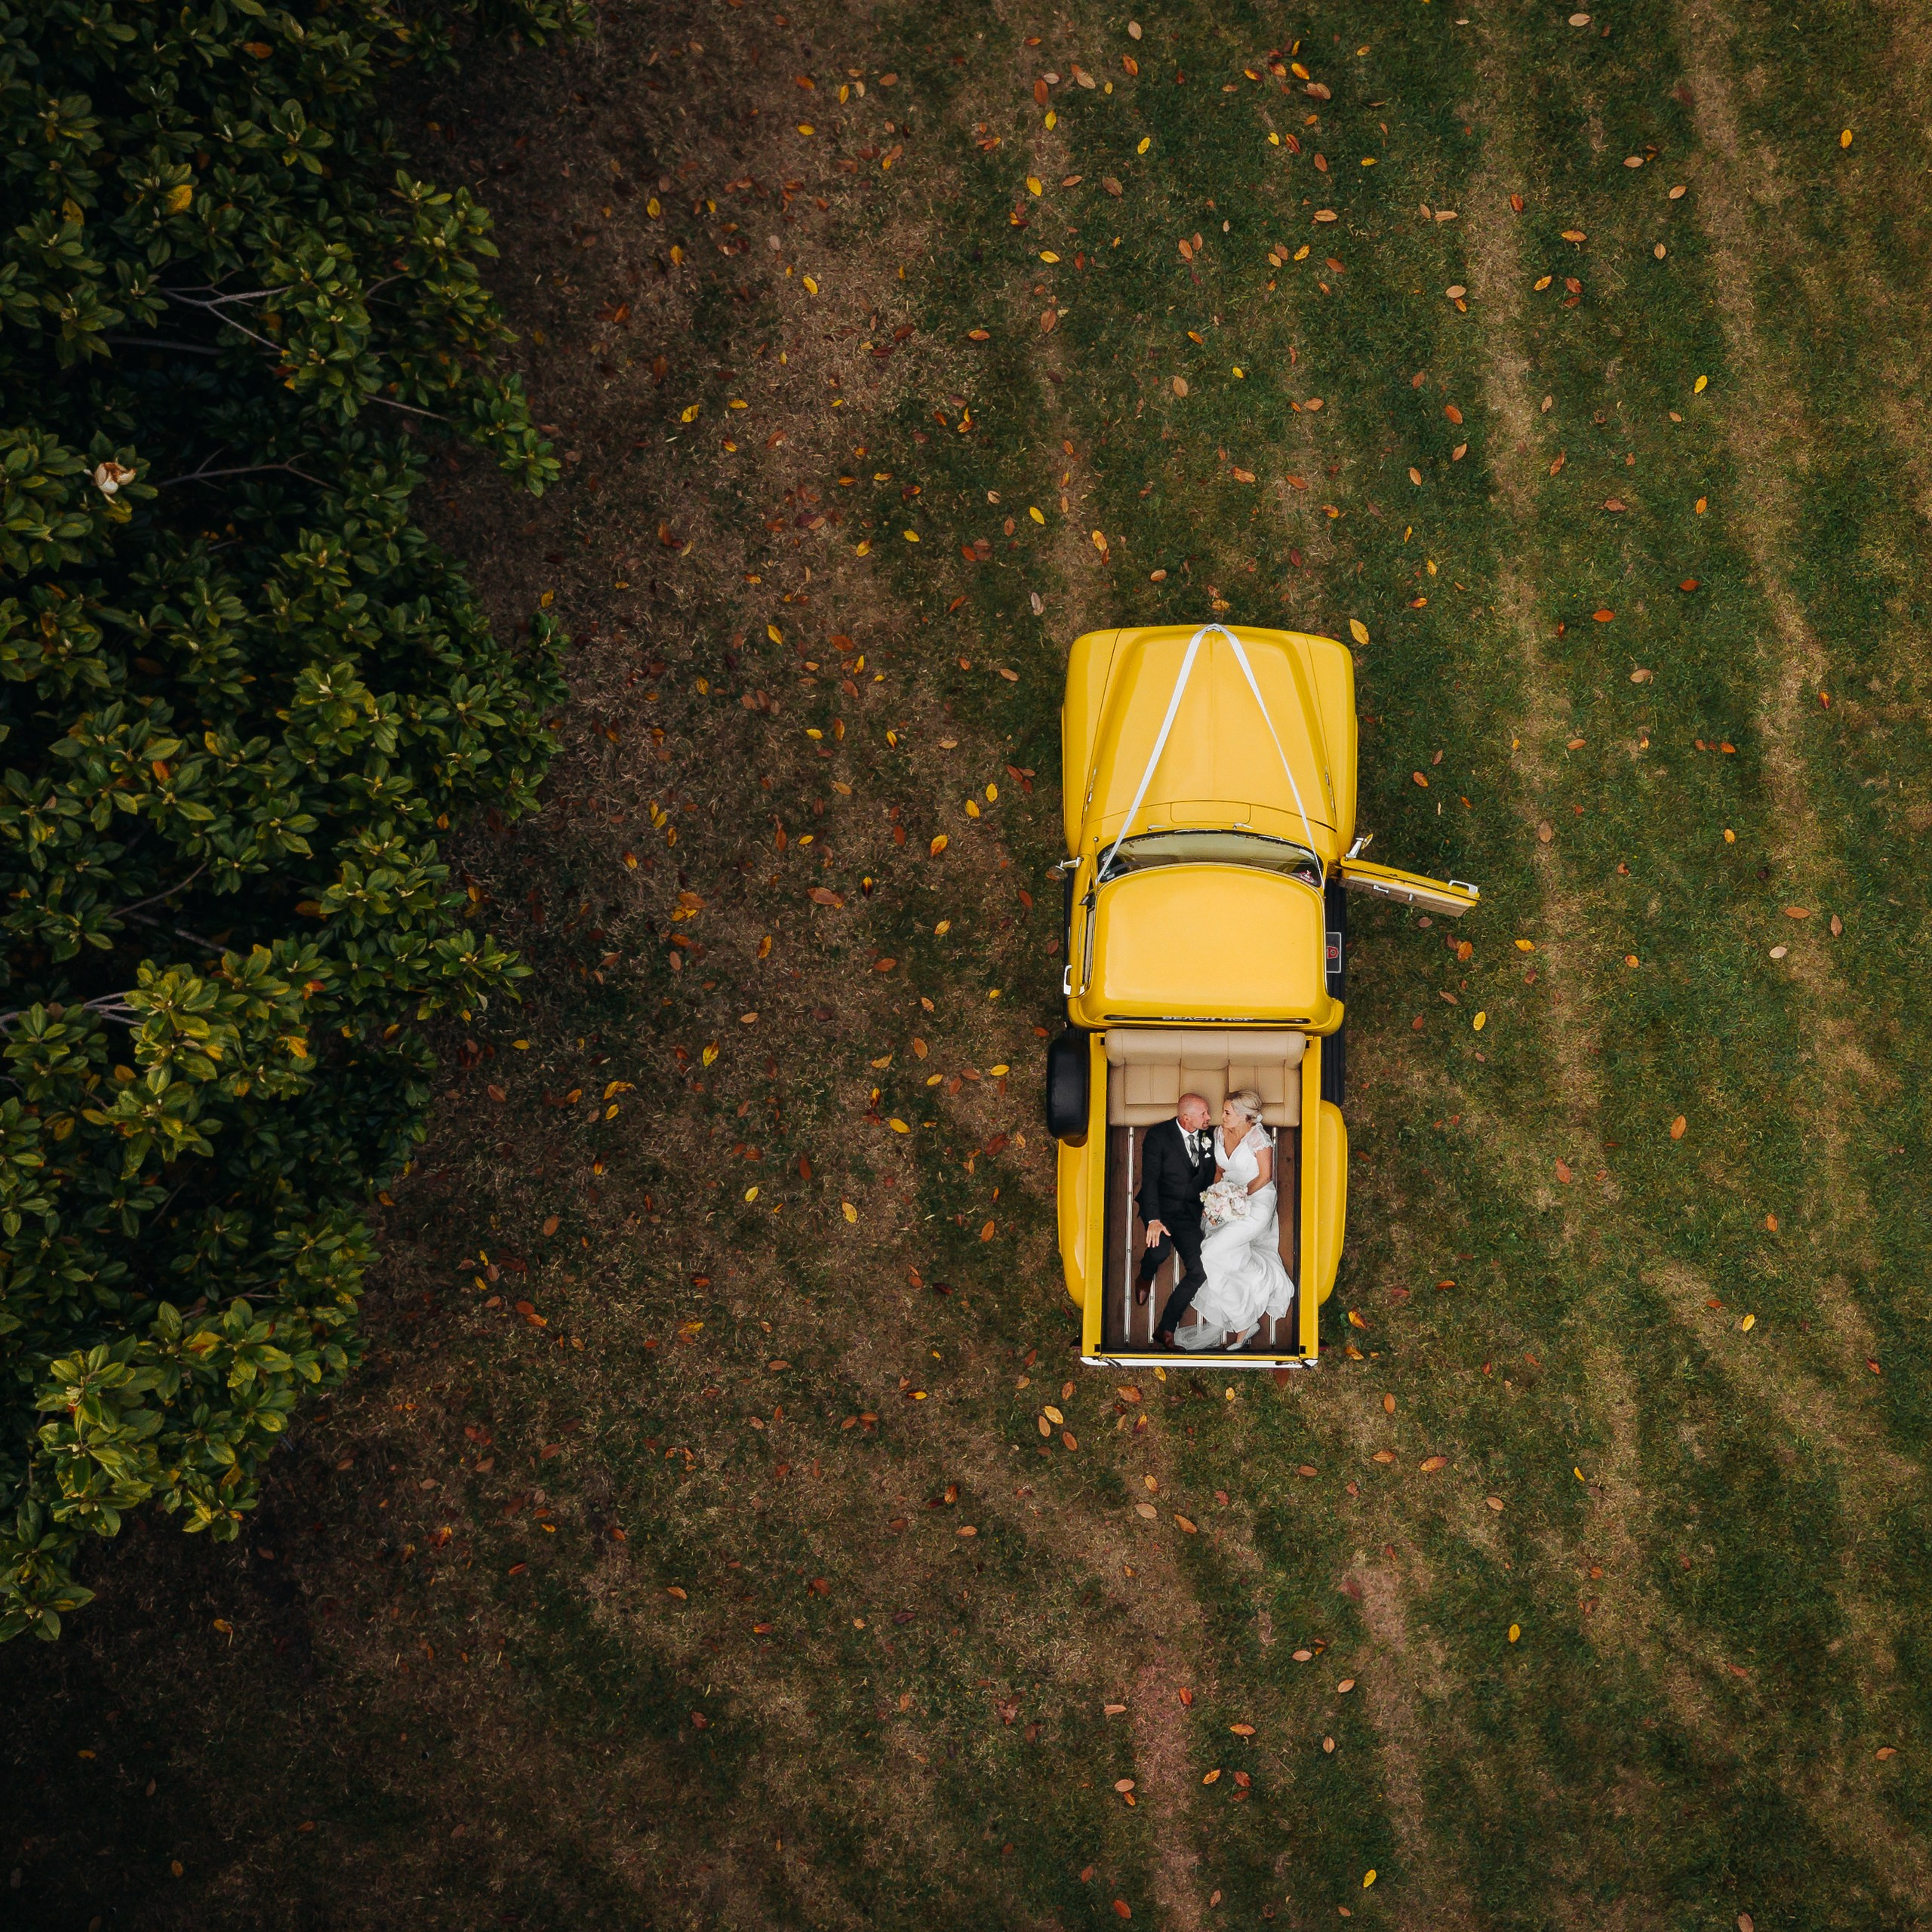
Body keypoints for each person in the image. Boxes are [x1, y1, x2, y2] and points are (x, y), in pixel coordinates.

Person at [1175, 1087, 1295, 1352]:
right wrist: (1216, 1195)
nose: (1223, 1116)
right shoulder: (1220, 1132)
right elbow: (1219, 1168)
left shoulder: (1258, 1139)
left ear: (1243, 1116)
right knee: (1220, 1256)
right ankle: (1248, 1310)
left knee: (1209, 1254)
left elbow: (1264, 1177)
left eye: (1228, 1112)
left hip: (1256, 1201)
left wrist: (1237, 1197)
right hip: (1227, 1197)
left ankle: (1244, 1319)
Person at [1135, 1093, 1217, 1346]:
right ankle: (1145, 1275)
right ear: (1185, 1117)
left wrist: (1209, 1204)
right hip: (1160, 1209)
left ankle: (1166, 1327)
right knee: (1159, 1251)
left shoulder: (1208, 1137)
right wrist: (1154, 1220)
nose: (1208, 1118)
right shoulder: (1159, 1136)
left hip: (1189, 1214)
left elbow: (1210, 1173)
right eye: (1203, 1114)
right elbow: (1149, 1181)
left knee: (1200, 1270)